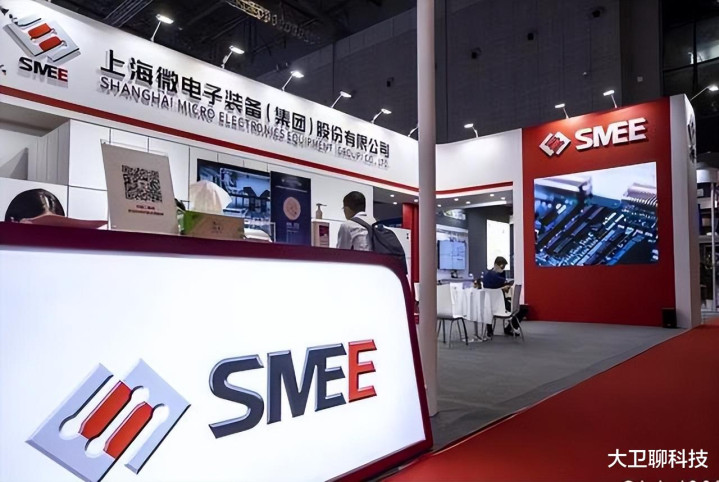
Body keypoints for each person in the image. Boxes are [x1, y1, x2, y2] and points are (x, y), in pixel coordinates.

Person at [482, 256, 522, 337]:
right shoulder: (491, 276)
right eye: (502, 266)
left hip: (494, 303)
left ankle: (507, 328)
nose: (503, 268)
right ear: (496, 265)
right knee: (521, 309)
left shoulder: (493, 275)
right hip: (499, 305)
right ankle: (509, 328)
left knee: (490, 308)